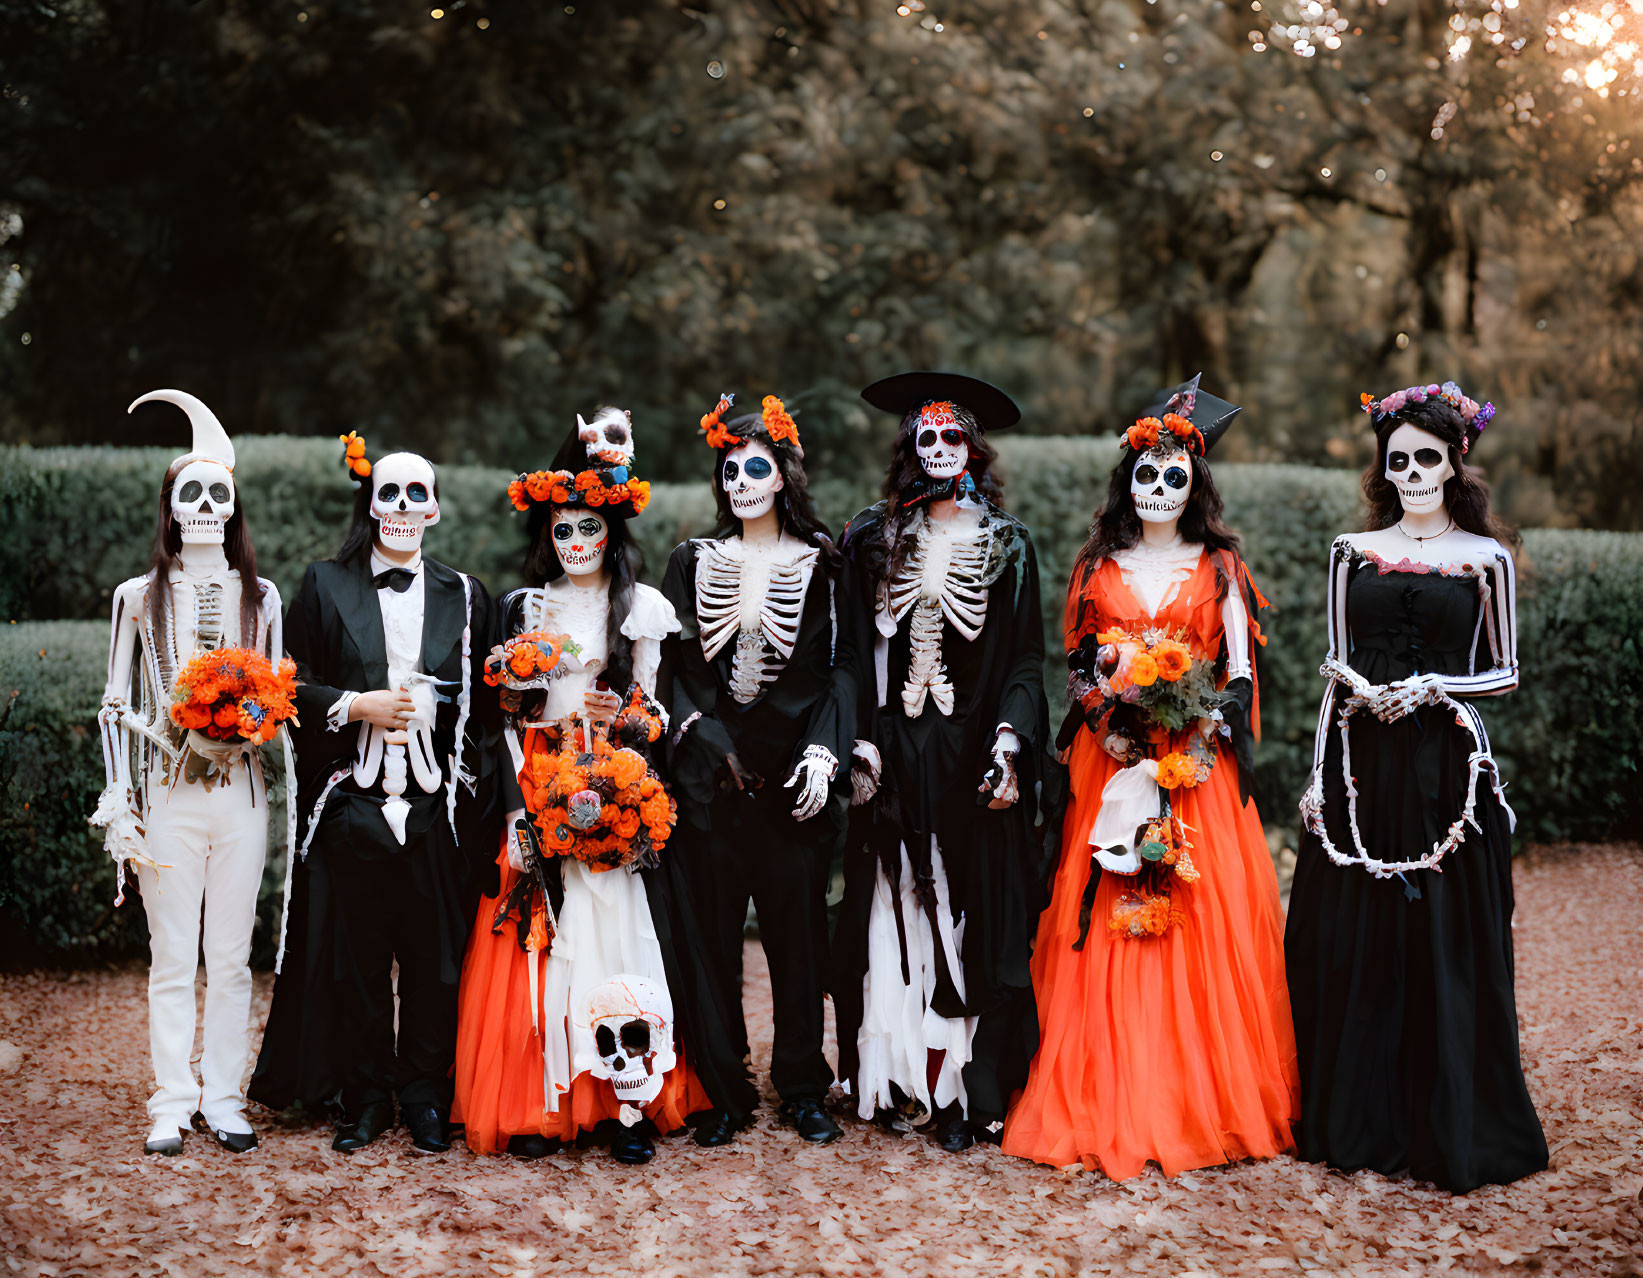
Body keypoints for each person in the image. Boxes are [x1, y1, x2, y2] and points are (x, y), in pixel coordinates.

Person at [1000, 376, 1299, 1177]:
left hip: (1194, 766)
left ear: (1194, 486)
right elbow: (1075, 659)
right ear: (1126, 482)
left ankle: (1199, 1098)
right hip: (1115, 759)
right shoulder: (1098, 565)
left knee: (1194, 911)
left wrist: (1202, 737)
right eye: (1146, 474)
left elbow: (1237, 670)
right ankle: (1104, 1094)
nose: (1159, 488)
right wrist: (1110, 723)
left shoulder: (1222, 566)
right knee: (1108, 900)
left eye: (1175, 477)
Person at [1286, 382, 1548, 1193]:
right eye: (1396, 460)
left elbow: (1502, 671)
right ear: (1382, 468)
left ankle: (1442, 1117)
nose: (1410, 473)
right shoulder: (1347, 550)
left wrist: (1431, 686)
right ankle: (1357, 1116)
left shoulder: (1486, 557)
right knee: (1353, 933)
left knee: (1438, 930)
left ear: (1454, 460)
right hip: (1358, 759)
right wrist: (1315, 766)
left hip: (1443, 765)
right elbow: (1333, 660)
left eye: (1425, 458)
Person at [453, 407, 713, 1165]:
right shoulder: (520, 609)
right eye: (562, 531)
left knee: (611, 930)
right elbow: (497, 722)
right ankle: (542, 1103)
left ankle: (618, 1105)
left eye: (588, 530)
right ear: (548, 537)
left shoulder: (640, 611)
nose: (575, 544)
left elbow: (658, 712)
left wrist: (625, 718)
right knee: (536, 938)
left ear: (611, 533)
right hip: (537, 777)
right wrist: (513, 805)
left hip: (607, 778)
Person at [250, 433, 518, 1156]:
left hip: (439, 807)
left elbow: (491, 712)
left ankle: (426, 1096)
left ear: (434, 509)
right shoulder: (323, 584)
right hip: (353, 800)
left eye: (417, 494)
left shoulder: (466, 595)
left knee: (435, 959)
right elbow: (289, 686)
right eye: (389, 493)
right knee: (358, 959)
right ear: (370, 504)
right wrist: (355, 704)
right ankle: (364, 1097)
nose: (402, 507)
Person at [831, 371, 1049, 1153]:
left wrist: (1010, 743)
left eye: (951, 436)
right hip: (891, 749)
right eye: (923, 437)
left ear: (973, 449)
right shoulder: (869, 540)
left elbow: (1026, 661)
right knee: (891, 905)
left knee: (969, 908)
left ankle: (965, 1087)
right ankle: (894, 1079)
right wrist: (855, 737)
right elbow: (850, 652)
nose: (936, 448)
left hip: (967, 750)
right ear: (907, 451)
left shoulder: (1009, 546)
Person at [655, 393, 857, 1147]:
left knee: (797, 941)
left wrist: (824, 750)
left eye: (754, 468)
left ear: (782, 478)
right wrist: (696, 732)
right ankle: (723, 1085)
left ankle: (803, 1084)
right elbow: (669, 665)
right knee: (710, 939)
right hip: (710, 787)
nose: (739, 481)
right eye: (729, 470)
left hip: (791, 788)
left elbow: (842, 671)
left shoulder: (824, 564)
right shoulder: (691, 562)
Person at [91, 390, 286, 1156]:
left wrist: (248, 726)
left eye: (218, 495)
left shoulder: (261, 596)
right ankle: (171, 1100)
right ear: (171, 507)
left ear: (232, 510)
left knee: (232, 954)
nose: (204, 507)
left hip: (241, 798)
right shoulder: (137, 598)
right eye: (190, 494)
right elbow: (113, 705)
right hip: (166, 797)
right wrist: (120, 803)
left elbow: (275, 696)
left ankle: (225, 1096)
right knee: (172, 956)